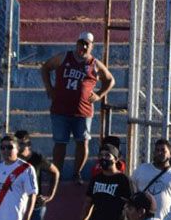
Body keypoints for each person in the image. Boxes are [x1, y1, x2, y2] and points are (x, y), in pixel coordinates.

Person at [40, 32, 115, 181]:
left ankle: (76, 173)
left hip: (83, 111)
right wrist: (49, 87)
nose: (84, 46)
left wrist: (99, 94)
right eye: (82, 43)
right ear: (77, 43)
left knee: (82, 142)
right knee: (60, 144)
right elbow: (46, 68)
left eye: (88, 44)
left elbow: (110, 80)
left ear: (92, 46)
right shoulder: (64, 57)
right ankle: (57, 174)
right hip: (60, 109)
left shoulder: (94, 64)